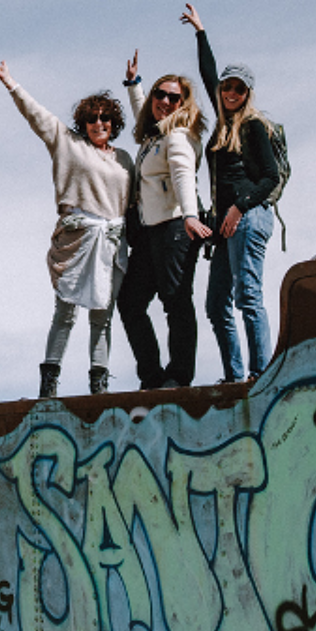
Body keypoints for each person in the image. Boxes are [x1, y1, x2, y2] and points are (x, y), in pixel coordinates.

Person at [0, 58, 136, 397]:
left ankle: (99, 383)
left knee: (102, 316)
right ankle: (49, 383)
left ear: (114, 122)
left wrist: (135, 86)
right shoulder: (69, 144)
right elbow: (36, 114)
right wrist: (9, 81)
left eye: (105, 117)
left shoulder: (124, 159)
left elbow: (137, 200)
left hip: (111, 241)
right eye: (92, 118)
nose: (99, 122)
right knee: (65, 311)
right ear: (84, 122)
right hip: (79, 238)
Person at [183, 4, 290, 383]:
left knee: (248, 295)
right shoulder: (224, 123)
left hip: (249, 215)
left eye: (237, 88)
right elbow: (207, 72)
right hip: (229, 221)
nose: (229, 92)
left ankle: (261, 375)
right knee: (216, 305)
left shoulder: (254, 127)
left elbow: (270, 178)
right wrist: (200, 32)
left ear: (247, 93)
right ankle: (234, 376)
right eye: (226, 87)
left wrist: (239, 208)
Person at [117, 51, 210, 388]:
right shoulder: (153, 138)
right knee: (129, 302)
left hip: (175, 228)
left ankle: (179, 375)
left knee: (176, 301)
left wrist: (189, 215)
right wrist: (134, 85)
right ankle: (152, 376)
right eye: (161, 94)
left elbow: (184, 174)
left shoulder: (178, 136)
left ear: (183, 104)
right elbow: (146, 112)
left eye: (175, 97)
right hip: (149, 233)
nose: (166, 101)